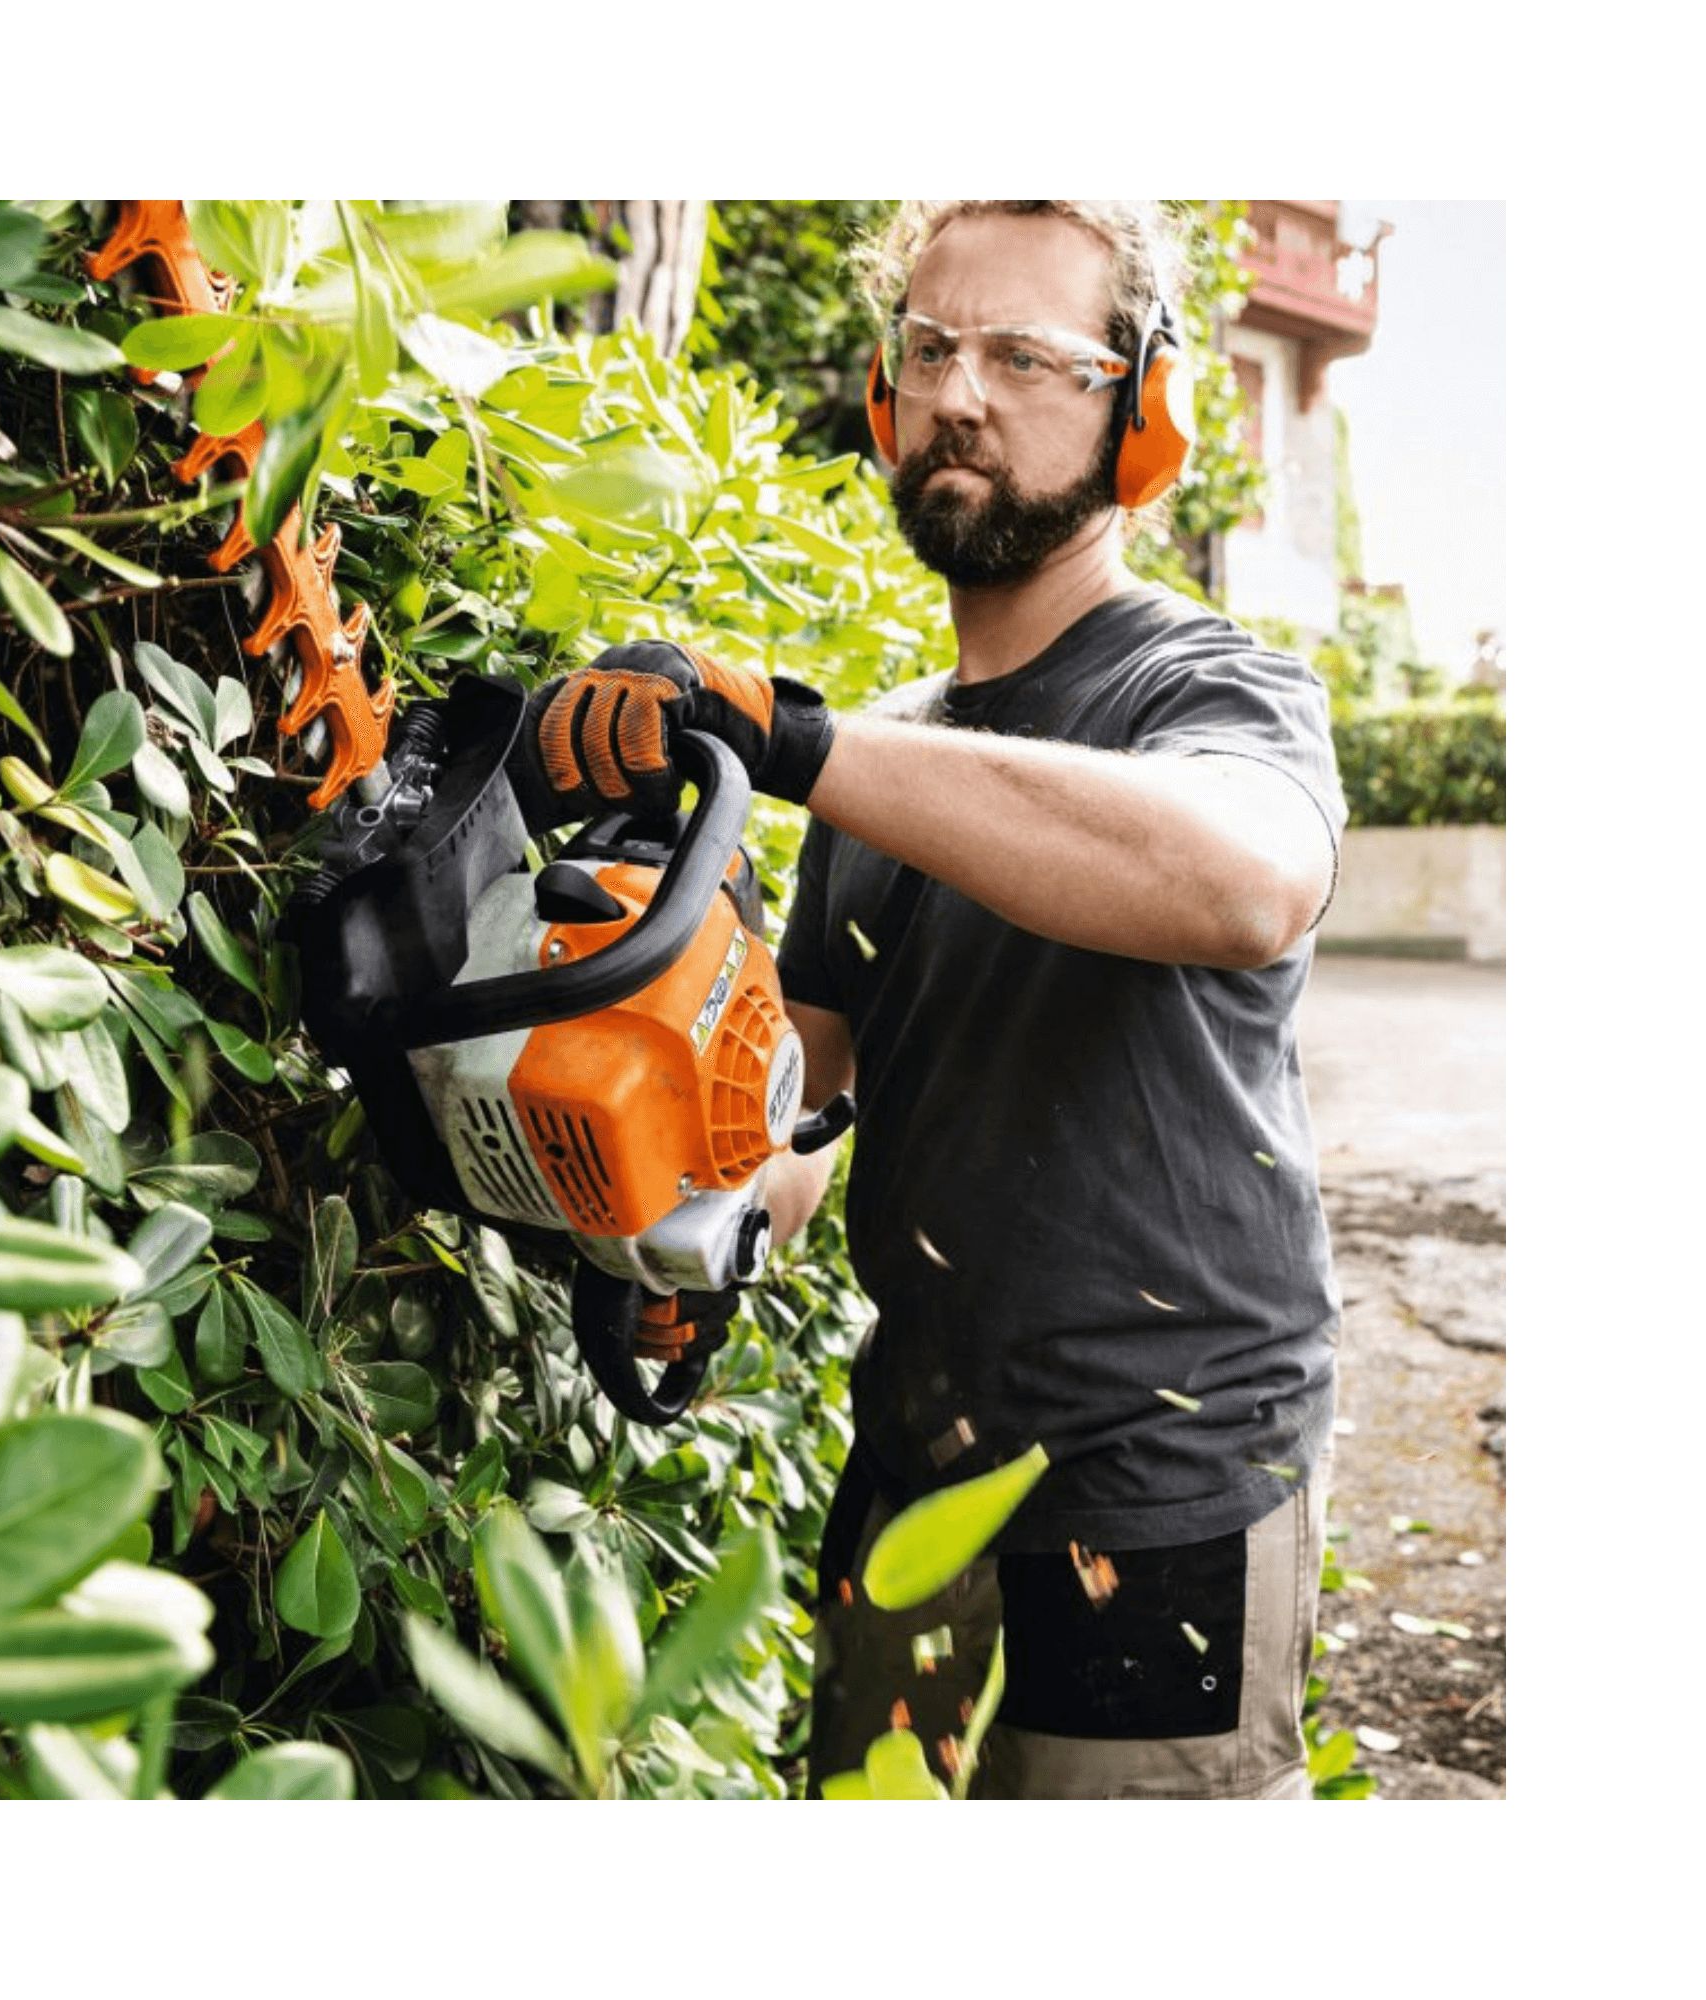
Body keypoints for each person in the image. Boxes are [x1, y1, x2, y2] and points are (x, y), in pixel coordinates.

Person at [509, 201, 1346, 1799]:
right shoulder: (893, 755)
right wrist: (695, 1229)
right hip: (915, 1457)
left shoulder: (1213, 689)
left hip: (1157, 1479)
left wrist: (796, 742)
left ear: (1145, 408)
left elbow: (1245, 884)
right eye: (931, 348)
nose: (963, 392)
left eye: (1028, 355)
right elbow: (811, 1089)